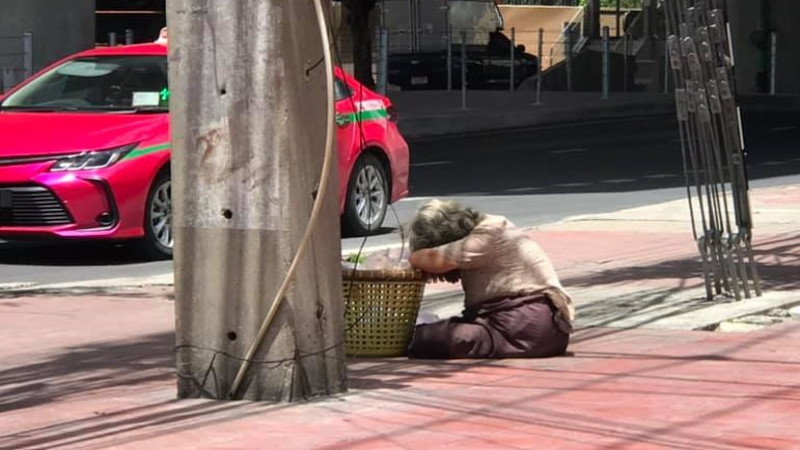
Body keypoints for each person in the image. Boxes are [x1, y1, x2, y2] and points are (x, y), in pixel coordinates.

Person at [406, 199, 574, 359]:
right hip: (536, 330)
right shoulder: (494, 227)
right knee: (438, 331)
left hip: (519, 328)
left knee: (422, 338)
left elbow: (433, 259)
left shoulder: (489, 234)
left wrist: (411, 259)